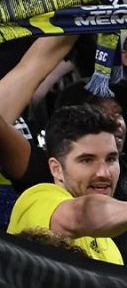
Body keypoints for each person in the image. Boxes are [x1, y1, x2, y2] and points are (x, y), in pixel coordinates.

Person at [8, 104, 126, 264]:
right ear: (56, 169)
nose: (103, 173)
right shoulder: (37, 199)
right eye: (87, 160)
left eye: (111, 159)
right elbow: (81, 214)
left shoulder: (111, 249)